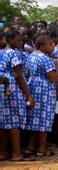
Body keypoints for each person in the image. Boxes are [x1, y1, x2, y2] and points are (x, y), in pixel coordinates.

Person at [0, 30, 35, 161]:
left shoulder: (0, 53)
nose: (21, 42)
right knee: (15, 121)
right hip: (13, 88)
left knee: (3, 122)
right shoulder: (14, 54)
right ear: (10, 39)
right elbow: (18, 75)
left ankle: (2, 153)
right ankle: (16, 153)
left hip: (1, 86)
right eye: (18, 40)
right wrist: (29, 96)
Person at [24, 35, 58, 157]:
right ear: (41, 46)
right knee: (44, 119)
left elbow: (27, 73)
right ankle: (41, 149)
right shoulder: (47, 59)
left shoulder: (30, 56)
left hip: (32, 87)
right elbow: (53, 78)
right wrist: (56, 67)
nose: (53, 46)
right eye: (50, 45)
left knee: (35, 119)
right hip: (45, 90)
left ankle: (30, 147)